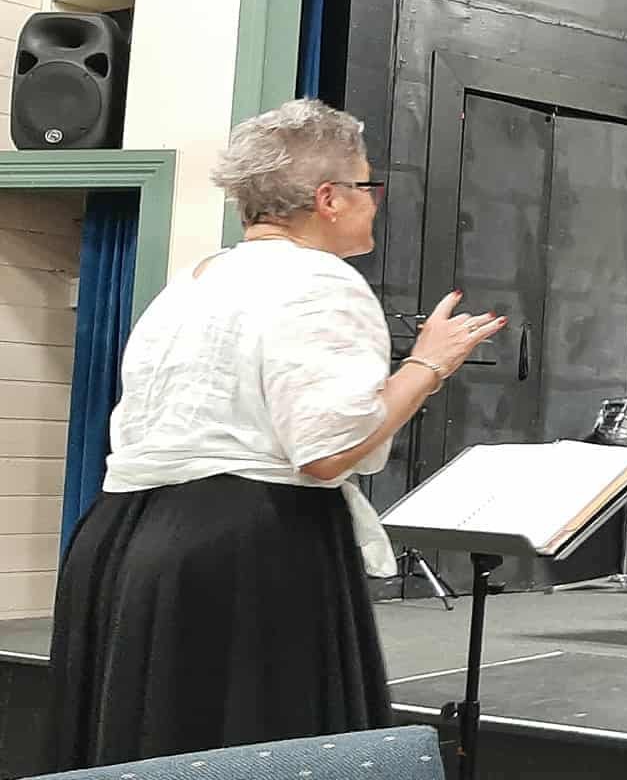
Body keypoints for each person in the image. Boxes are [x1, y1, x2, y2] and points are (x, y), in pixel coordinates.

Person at [45, 99, 504, 768]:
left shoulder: (194, 280)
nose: (374, 203)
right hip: (243, 547)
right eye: (366, 186)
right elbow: (328, 452)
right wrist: (429, 364)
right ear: (328, 198)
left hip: (124, 538)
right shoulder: (321, 281)